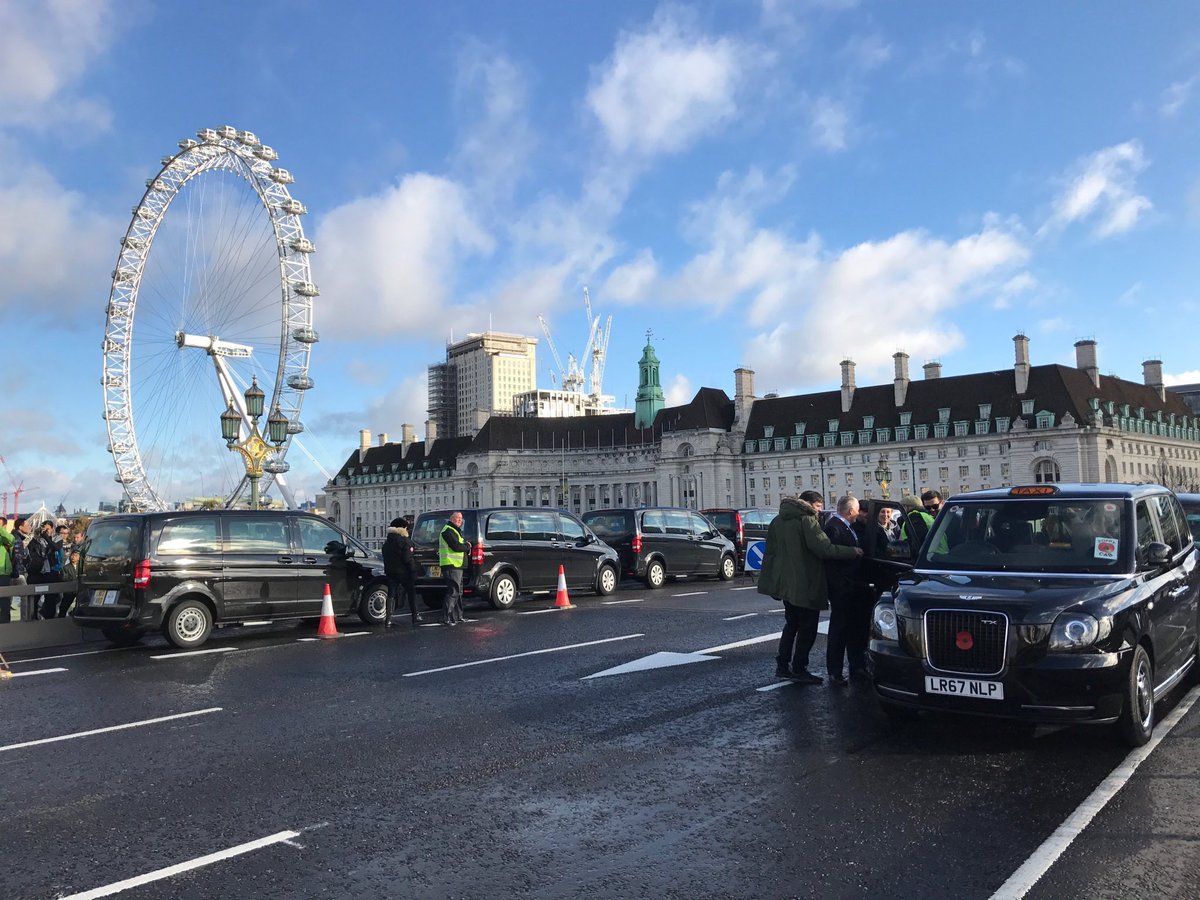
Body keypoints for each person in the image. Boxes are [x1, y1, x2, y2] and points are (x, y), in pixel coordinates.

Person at [757, 490, 861, 683]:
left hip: (785, 582)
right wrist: (852, 551)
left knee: (791, 624)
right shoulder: (807, 520)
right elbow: (824, 548)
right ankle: (799, 668)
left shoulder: (777, 521)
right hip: (805, 582)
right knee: (808, 627)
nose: (819, 511)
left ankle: (782, 665)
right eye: (818, 507)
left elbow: (771, 552)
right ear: (807, 504)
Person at [824, 495, 875, 684]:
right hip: (842, 588)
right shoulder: (834, 528)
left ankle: (856, 666)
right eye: (857, 510)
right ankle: (835, 671)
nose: (858, 513)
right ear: (851, 511)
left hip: (853, 587)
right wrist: (842, 584)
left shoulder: (845, 526)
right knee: (839, 631)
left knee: (855, 629)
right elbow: (831, 560)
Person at [382, 516, 420, 628]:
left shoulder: (387, 542)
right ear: (403, 528)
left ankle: (388, 619)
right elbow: (408, 559)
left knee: (391, 594)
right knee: (411, 593)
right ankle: (415, 615)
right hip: (404, 573)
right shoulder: (406, 541)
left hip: (390, 572)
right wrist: (415, 568)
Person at [439, 511, 468, 626]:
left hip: (457, 565)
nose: (459, 520)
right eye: (457, 518)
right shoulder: (448, 530)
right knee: (453, 591)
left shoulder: (455, 531)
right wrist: (467, 546)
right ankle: (446, 617)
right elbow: (456, 546)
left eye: (461, 518)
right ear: (451, 519)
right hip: (451, 565)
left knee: (458, 592)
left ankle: (458, 616)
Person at [30, 521, 59, 620]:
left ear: (52, 529)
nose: (46, 531)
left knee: (50, 597)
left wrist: (46, 536)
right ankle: (33, 617)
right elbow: (30, 549)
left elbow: (55, 547)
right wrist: (36, 536)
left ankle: (49, 618)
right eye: (44, 529)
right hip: (38, 572)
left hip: (50, 572)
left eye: (48, 529)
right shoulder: (37, 540)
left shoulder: (56, 538)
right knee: (35, 597)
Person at [10, 517, 34, 621]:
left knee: (8, 597)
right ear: (20, 527)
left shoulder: (13, 537)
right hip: (17, 573)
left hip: (11, 572)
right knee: (25, 597)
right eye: (27, 525)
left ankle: (5, 620)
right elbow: (18, 557)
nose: (29, 527)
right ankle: (24, 620)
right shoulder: (17, 539)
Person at [58, 550, 80, 618]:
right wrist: (73, 578)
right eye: (72, 555)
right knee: (64, 605)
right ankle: (61, 618)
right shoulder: (66, 567)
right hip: (70, 590)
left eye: (76, 555)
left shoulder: (81, 567)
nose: (73, 557)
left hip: (79, 589)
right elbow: (63, 578)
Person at [0, 517, 13, 624]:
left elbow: (11, 539)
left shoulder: (5, 538)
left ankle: (5, 622)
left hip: (3, 573)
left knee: (4, 599)